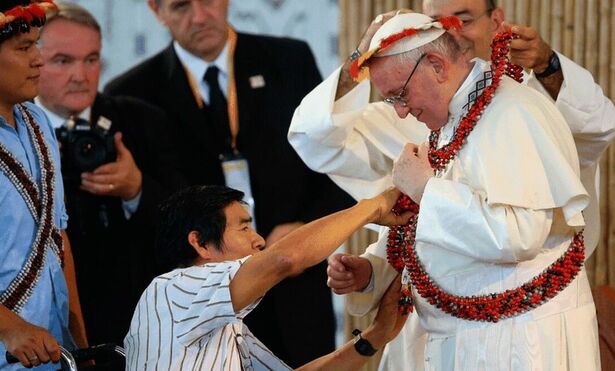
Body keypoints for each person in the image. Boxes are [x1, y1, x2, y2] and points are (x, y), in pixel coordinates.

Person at [288, 1, 615, 369]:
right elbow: (427, 226)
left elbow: (520, 235)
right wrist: (374, 271)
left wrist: (426, 190)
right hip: (451, 333)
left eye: (400, 95)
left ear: (436, 65)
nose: (399, 110)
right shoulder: (446, 117)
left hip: (515, 339)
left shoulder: (513, 111)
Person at [103, 0, 355, 366]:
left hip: (295, 291)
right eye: (181, 6)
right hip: (206, 312)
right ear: (156, 11)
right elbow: (153, 219)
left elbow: (336, 162)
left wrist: (303, 228)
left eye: (208, 1)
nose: (200, 16)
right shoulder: (133, 91)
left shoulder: (288, 59)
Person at [126, 185, 409, 370]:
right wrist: (373, 207)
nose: (259, 240)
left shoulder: (225, 323)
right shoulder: (170, 290)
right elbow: (284, 259)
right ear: (200, 244)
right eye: (244, 229)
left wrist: (373, 337)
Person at [35, 2, 186, 347]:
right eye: (63, 61)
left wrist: (136, 189)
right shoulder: (18, 132)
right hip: (46, 326)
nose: (81, 75)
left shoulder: (143, 121)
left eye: (91, 59)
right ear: (34, 59)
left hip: (137, 323)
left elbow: (190, 224)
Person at [0, 1, 87, 369]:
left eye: (37, 44)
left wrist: (81, 342)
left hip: (53, 351)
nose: (39, 59)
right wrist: (9, 327)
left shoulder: (38, 121)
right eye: (24, 48)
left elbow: (57, 238)